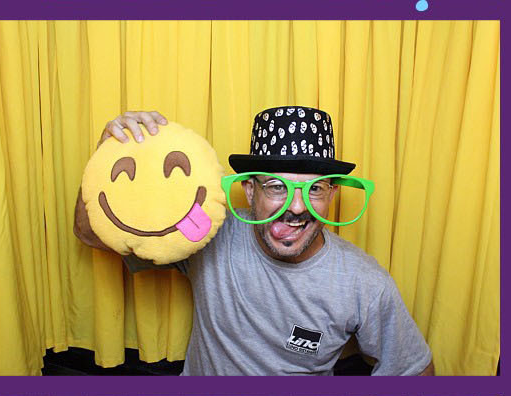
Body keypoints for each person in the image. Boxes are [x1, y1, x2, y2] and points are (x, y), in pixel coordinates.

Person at [74, 107, 434, 376]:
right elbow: (89, 234)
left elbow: (416, 371)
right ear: (249, 190)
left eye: (315, 189)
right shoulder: (209, 231)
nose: (297, 207)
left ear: (332, 195)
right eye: (276, 186)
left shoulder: (364, 283)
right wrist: (108, 155)